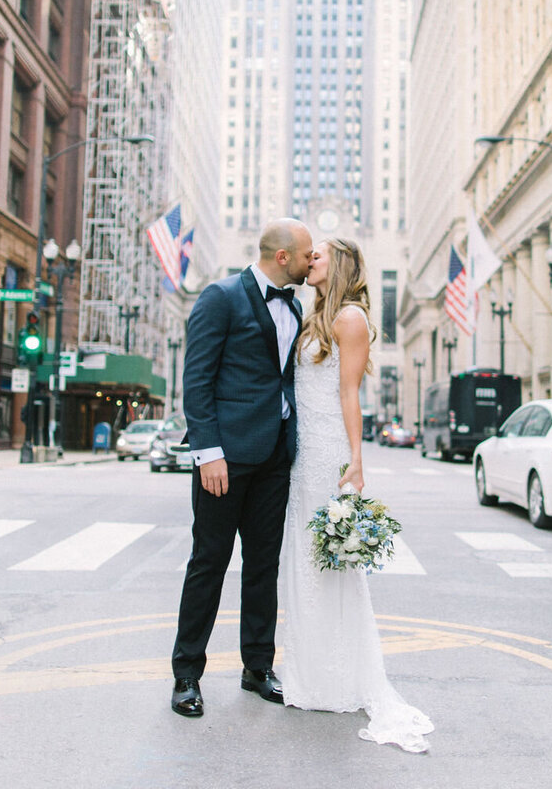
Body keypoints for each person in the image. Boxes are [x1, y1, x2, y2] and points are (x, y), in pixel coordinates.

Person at [281, 238, 434, 753]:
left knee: (328, 565)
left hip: (328, 453)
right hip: (303, 454)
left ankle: (338, 679)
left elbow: (349, 392)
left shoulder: (349, 317)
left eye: (317, 255)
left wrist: (356, 458)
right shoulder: (314, 313)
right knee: (304, 564)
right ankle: (310, 672)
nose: (309, 259)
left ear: (339, 264)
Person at [171, 218, 314, 718]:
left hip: (274, 457)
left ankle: (257, 667)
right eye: (306, 254)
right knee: (209, 563)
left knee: (262, 566)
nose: (310, 261)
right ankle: (186, 674)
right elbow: (198, 379)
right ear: (282, 257)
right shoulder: (220, 296)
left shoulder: (294, 304)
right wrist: (208, 452)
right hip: (225, 460)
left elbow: (284, 379)